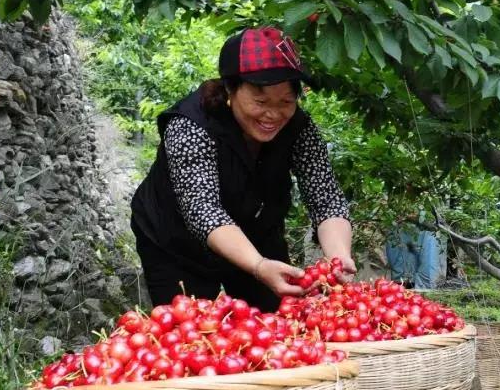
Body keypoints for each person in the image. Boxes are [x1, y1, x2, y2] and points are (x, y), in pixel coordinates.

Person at [130, 25, 354, 312]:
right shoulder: (190, 126)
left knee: (276, 321)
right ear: (229, 90)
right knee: (191, 331)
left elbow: (326, 198)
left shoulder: (299, 129)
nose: (273, 114)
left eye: (286, 101)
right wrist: (258, 265)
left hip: (256, 231)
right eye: (260, 101)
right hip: (176, 242)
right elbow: (203, 210)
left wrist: (338, 259)